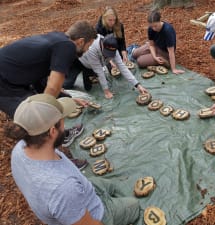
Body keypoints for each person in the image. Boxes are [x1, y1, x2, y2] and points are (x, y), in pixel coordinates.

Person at [10, 93, 140, 225]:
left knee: (110, 185)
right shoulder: (63, 189)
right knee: (134, 205)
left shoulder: (19, 149)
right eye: (62, 120)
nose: (65, 123)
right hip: (96, 215)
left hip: (82, 192)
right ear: (52, 131)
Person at [0, 20, 97, 168]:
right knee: (37, 123)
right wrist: (47, 118)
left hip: (14, 78)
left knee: (54, 106)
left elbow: (44, 81)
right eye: (88, 46)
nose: (86, 51)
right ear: (81, 41)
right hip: (5, 85)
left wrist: (69, 98)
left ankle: (60, 135)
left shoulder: (58, 38)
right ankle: (58, 161)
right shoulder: (68, 47)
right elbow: (52, 89)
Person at [64, 34, 148, 99]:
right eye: (107, 54)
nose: (109, 56)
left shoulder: (113, 48)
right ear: (103, 45)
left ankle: (88, 74)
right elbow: (99, 70)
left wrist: (137, 85)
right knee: (67, 85)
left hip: (93, 64)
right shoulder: (92, 47)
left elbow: (122, 67)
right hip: (78, 61)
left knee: (88, 86)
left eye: (111, 54)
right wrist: (106, 91)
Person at [132, 10, 184, 75]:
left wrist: (173, 69)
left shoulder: (168, 30)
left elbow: (171, 52)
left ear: (160, 21)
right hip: (155, 46)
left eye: (155, 26)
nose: (154, 28)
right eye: (152, 26)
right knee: (134, 54)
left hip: (165, 52)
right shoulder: (150, 29)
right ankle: (151, 56)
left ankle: (165, 60)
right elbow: (151, 45)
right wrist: (154, 57)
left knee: (140, 61)